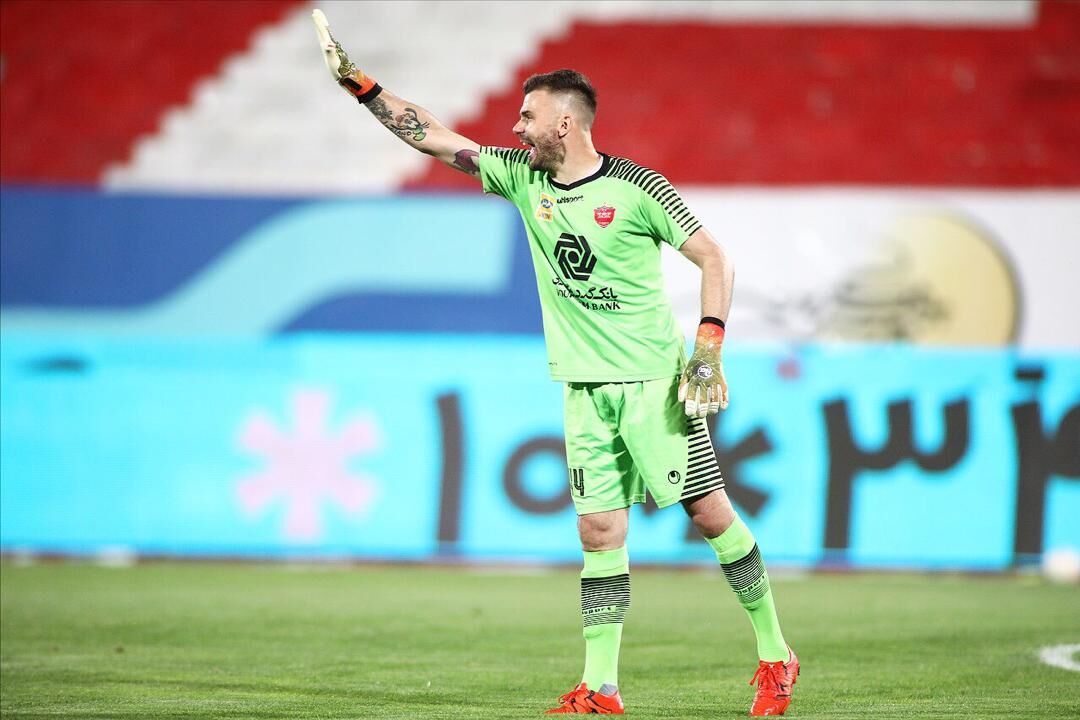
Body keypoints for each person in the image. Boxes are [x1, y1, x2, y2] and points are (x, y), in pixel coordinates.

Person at [312, 9, 798, 716]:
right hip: (582, 389)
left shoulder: (639, 188)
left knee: (709, 514)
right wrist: (363, 87)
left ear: (564, 124)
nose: (515, 129)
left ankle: (775, 654)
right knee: (598, 532)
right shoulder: (522, 179)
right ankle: (601, 687)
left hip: (654, 386)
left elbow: (714, 258)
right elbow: (435, 136)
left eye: (527, 117)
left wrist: (707, 350)